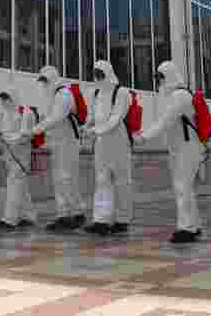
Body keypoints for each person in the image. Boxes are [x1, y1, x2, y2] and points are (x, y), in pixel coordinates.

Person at [133, 60, 204, 243]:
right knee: (184, 188)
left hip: (187, 148)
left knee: (182, 187)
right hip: (181, 148)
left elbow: (165, 121)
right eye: (157, 77)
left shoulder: (179, 96)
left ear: (170, 76)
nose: (159, 81)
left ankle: (186, 228)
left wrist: (144, 137)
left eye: (161, 77)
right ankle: (193, 225)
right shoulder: (174, 95)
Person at [31, 66, 86, 231]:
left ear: (53, 79)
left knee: (65, 178)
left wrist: (35, 130)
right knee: (62, 178)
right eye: (42, 81)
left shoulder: (63, 94)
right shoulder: (54, 96)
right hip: (59, 142)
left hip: (67, 142)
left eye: (45, 81)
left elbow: (56, 117)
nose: (43, 84)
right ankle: (72, 213)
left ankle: (68, 215)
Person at [84, 59, 133, 235]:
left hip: (118, 141)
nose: (97, 77)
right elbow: (92, 115)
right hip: (101, 143)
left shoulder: (122, 93)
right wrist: (86, 126)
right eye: (95, 73)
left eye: (100, 73)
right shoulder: (95, 93)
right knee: (101, 180)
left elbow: (116, 118)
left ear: (108, 73)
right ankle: (101, 220)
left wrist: (96, 130)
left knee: (122, 181)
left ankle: (122, 219)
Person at [0, 91, 37, 231]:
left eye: (6, 98)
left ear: (13, 97)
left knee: (14, 184)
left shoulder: (26, 113)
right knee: (20, 186)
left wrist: (8, 139)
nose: (4, 101)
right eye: (2, 99)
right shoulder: (3, 113)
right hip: (8, 155)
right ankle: (28, 216)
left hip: (21, 156)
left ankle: (9, 219)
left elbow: (26, 135)